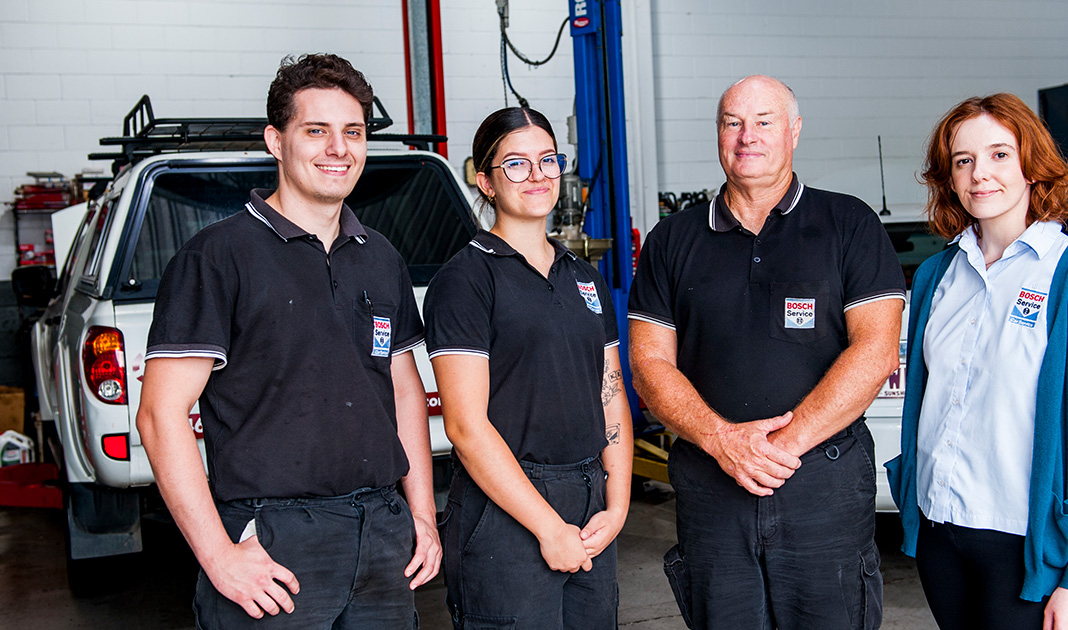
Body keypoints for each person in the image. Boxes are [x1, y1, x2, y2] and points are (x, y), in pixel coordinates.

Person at [136, 53, 441, 628]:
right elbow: (159, 414)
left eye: (352, 132)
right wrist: (219, 556)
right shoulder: (217, 257)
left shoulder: (380, 258)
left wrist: (421, 514)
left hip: (381, 536)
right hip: (273, 542)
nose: (338, 148)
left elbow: (405, 393)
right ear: (276, 142)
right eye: (316, 131)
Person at [628, 75, 906, 629]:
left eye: (764, 121)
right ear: (718, 134)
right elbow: (648, 363)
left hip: (822, 482)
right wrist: (722, 440)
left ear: (794, 131)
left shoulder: (848, 223)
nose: (746, 136)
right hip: (713, 485)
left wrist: (783, 445)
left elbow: (875, 349)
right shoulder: (672, 239)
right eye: (733, 122)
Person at [884, 93, 1068, 630]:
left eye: (999, 154)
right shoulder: (935, 276)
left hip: (1021, 541)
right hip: (939, 531)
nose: (980, 174)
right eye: (963, 160)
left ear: (1032, 165)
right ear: (947, 176)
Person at [423, 107, 633, 629]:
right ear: (485, 181)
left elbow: (610, 393)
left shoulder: (584, 277)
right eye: (516, 164)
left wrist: (619, 503)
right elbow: (466, 429)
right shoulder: (467, 280)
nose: (538, 175)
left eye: (547, 160)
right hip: (507, 506)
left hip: (589, 497)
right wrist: (546, 527)